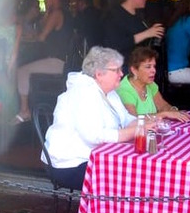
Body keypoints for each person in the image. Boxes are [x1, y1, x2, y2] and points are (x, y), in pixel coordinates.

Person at [42, 46, 153, 190]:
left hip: (92, 158)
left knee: (136, 173)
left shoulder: (109, 92)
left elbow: (126, 118)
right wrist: (139, 129)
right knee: (131, 178)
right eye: (116, 70)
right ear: (99, 74)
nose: (121, 74)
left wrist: (146, 122)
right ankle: (109, 212)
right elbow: (94, 136)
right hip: (69, 164)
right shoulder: (83, 93)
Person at [14, 0, 73, 123]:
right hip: (60, 61)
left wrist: (23, 38)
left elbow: (41, 37)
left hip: (56, 62)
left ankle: (24, 111)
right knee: (26, 68)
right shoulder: (61, 12)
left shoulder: (57, 13)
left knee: (22, 71)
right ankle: (31, 106)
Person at [101, 0, 164, 71]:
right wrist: (147, 33)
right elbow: (115, 45)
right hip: (122, 70)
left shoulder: (139, 15)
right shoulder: (114, 15)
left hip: (140, 69)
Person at [116, 46, 190, 121]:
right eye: (148, 67)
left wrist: (174, 111)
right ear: (134, 70)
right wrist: (165, 114)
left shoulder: (150, 84)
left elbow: (163, 106)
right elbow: (133, 120)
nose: (154, 70)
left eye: (154, 66)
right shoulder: (124, 89)